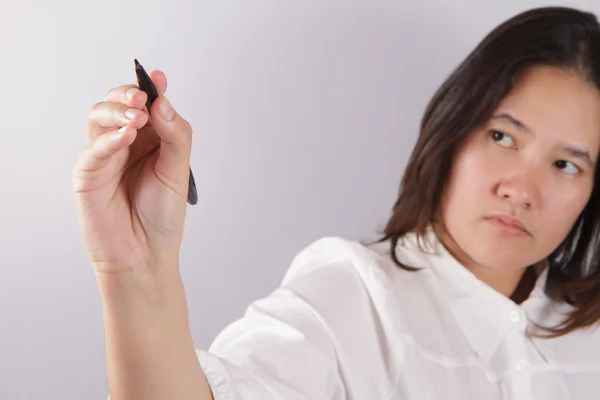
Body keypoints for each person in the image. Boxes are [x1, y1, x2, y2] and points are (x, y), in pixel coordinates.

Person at [72, 5, 600, 400]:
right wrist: (136, 270)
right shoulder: (351, 297)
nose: (521, 190)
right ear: (453, 130)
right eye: (503, 137)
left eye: (566, 164)